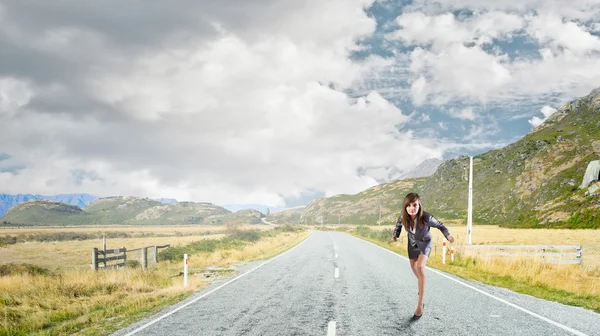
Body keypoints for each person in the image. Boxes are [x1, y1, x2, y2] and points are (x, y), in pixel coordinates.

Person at [392, 192, 454, 320]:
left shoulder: (426, 218)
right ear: (405, 207)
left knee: (420, 268)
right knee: (414, 268)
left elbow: (440, 225)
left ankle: (420, 304)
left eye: (414, 205)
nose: (411, 208)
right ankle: (422, 283)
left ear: (419, 205)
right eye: (408, 206)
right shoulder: (404, 216)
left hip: (425, 243)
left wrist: (448, 236)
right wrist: (395, 235)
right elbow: (398, 225)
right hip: (412, 244)